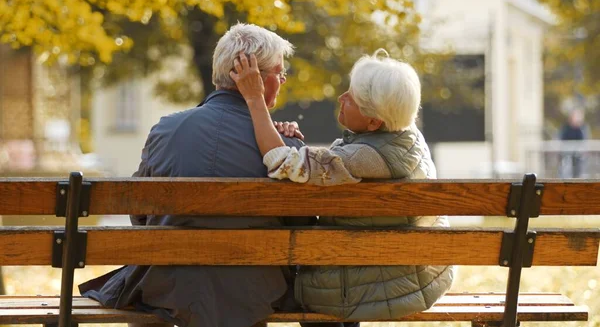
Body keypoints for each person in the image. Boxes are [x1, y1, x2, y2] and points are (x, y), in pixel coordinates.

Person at [78, 23, 310, 327]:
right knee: (240, 289)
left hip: (169, 287)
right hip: (255, 292)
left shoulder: (165, 130)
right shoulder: (284, 151)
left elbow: (140, 215)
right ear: (258, 78)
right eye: (279, 74)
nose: (281, 82)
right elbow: (300, 227)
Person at [230, 49, 456, 320]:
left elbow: (282, 164)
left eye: (352, 98)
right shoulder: (407, 137)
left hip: (383, 286)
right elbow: (333, 163)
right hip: (416, 274)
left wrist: (255, 99)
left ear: (374, 121)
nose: (342, 98)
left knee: (288, 287)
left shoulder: (367, 157)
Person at [559, 108, 590, 178]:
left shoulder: (583, 128)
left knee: (579, 170)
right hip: (567, 154)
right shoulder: (566, 128)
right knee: (566, 169)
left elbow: (584, 140)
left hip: (578, 155)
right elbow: (562, 139)